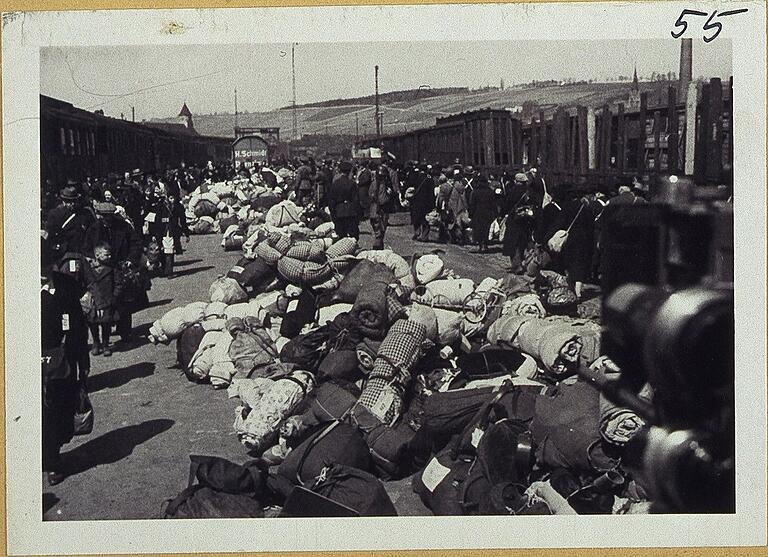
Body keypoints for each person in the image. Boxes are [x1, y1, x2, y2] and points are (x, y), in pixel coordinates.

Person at [42, 238, 86, 486]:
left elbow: (78, 324)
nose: (43, 272)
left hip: (61, 358)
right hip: (26, 359)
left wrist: (82, 359)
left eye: (47, 266)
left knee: (58, 409)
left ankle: (53, 459)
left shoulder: (66, 286)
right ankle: (47, 461)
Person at [554, 187, 595, 300]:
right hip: (583, 240)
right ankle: (578, 292)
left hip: (569, 240)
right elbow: (591, 228)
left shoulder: (567, 207)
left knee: (569, 262)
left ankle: (570, 287)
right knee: (580, 264)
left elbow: (560, 223)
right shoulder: (586, 208)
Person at [84, 243, 123, 357]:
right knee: (92, 322)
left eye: (110, 255)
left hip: (108, 299)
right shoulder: (89, 269)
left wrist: (114, 296)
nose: (109, 257)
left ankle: (105, 344)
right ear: (97, 255)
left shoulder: (112, 269)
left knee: (106, 323)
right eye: (106, 255)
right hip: (93, 301)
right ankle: (96, 342)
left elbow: (118, 283)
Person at [44, 184, 94, 259]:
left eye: (74, 201)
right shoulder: (55, 214)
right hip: (63, 253)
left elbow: (91, 232)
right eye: (68, 201)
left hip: (81, 252)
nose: (72, 204)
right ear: (63, 201)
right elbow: (51, 234)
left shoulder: (85, 213)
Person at [503, 172, 536, 273]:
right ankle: (522, 262)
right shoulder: (529, 191)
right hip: (526, 220)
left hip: (514, 220)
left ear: (516, 181)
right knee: (522, 242)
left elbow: (507, 204)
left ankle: (516, 265)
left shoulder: (512, 191)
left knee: (513, 243)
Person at [327, 161, 361, 239]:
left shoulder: (335, 183)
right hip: (351, 211)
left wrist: (333, 212)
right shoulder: (352, 183)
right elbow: (356, 200)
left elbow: (331, 200)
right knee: (353, 235)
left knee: (341, 234)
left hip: (339, 211)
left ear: (339, 171)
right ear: (349, 171)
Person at [469, 174, 497, 253]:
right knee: (486, 229)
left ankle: (481, 244)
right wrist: (495, 213)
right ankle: (485, 244)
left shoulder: (475, 192)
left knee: (479, 229)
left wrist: (470, 214)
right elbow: (493, 203)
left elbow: (472, 204)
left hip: (478, 213)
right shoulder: (490, 191)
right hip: (488, 212)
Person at [368, 164, 394, 249]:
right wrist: (389, 195)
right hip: (380, 211)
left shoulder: (373, 183)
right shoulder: (382, 185)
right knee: (380, 232)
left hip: (373, 210)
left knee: (377, 231)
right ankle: (378, 249)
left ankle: (378, 247)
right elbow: (383, 200)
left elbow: (370, 195)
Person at [409, 164, 435, 242]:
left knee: (416, 217)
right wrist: (432, 203)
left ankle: (417, 232)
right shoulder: (429, 179)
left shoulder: (415, 177)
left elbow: (410, 188)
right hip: (426, 202)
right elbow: (431, 192)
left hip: (416, 201)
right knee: (425, 219)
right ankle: (424, 236)